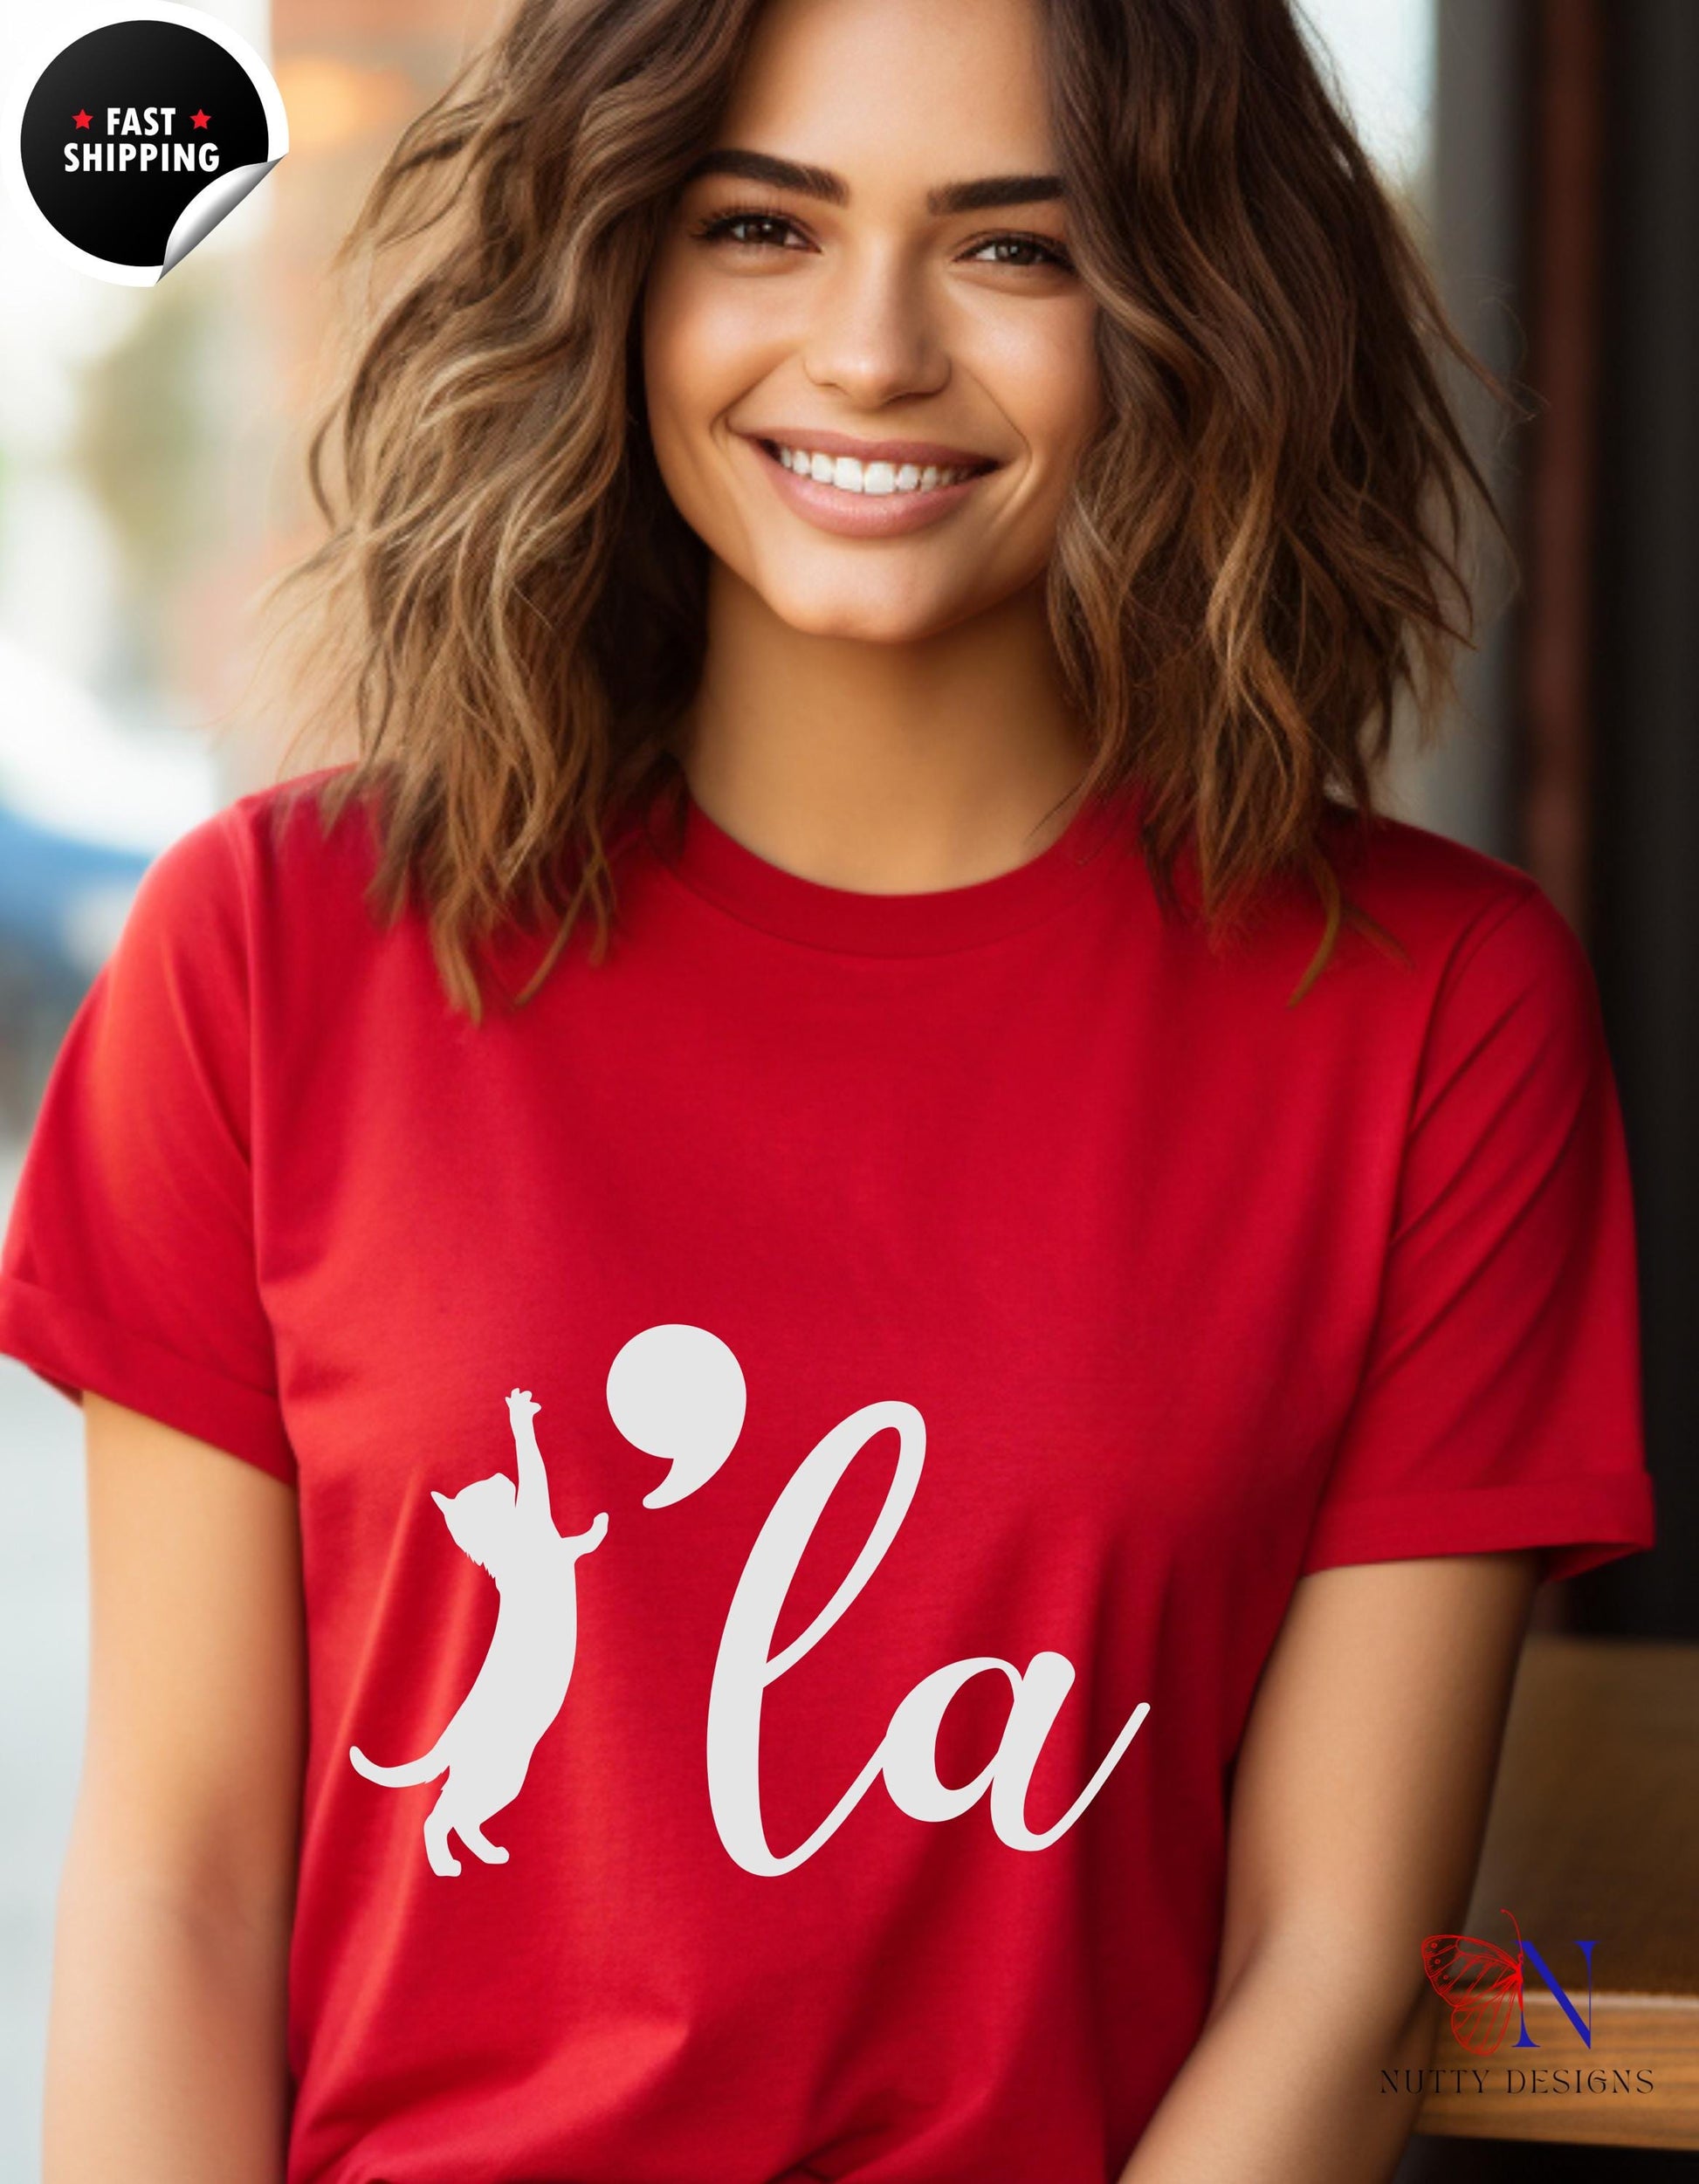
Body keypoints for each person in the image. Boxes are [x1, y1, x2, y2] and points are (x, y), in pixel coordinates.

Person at [0, 0, 1656, 2176]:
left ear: (1197, 309)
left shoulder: (1433, 1014)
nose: (870, 350)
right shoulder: (270, 958)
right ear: (614, 269)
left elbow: (1333, 1974)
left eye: (1017, 249)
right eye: (761, 226)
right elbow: (177, 1896)